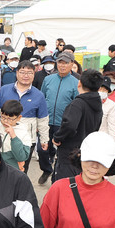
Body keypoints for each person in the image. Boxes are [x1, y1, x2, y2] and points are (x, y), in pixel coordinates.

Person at [51, 69, 104, 181]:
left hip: (69, 153)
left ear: (79, 83)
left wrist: (58, 137)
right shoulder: (97, 104)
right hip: (85, 150)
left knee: (65, 185)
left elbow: (69, 125)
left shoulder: (78, 104)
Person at [38, 51, 80, 184]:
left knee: (61, 153)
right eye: (60, 62)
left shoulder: (76, 82)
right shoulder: (48, 79)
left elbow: (76, 105)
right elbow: (42, 98)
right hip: (46, 121)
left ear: (72, 64)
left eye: (66, 63)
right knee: (42, 149)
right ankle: (46, 169)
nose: (62, 66)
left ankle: (56, 179)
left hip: (63, 124)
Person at [0, 102, 32, 170]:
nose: (5, 121)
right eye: (3, 117)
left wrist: (14, 137)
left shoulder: (23, 132)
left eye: (10, 119)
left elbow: (21, 157)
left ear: (19, 118)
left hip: (12, 169)